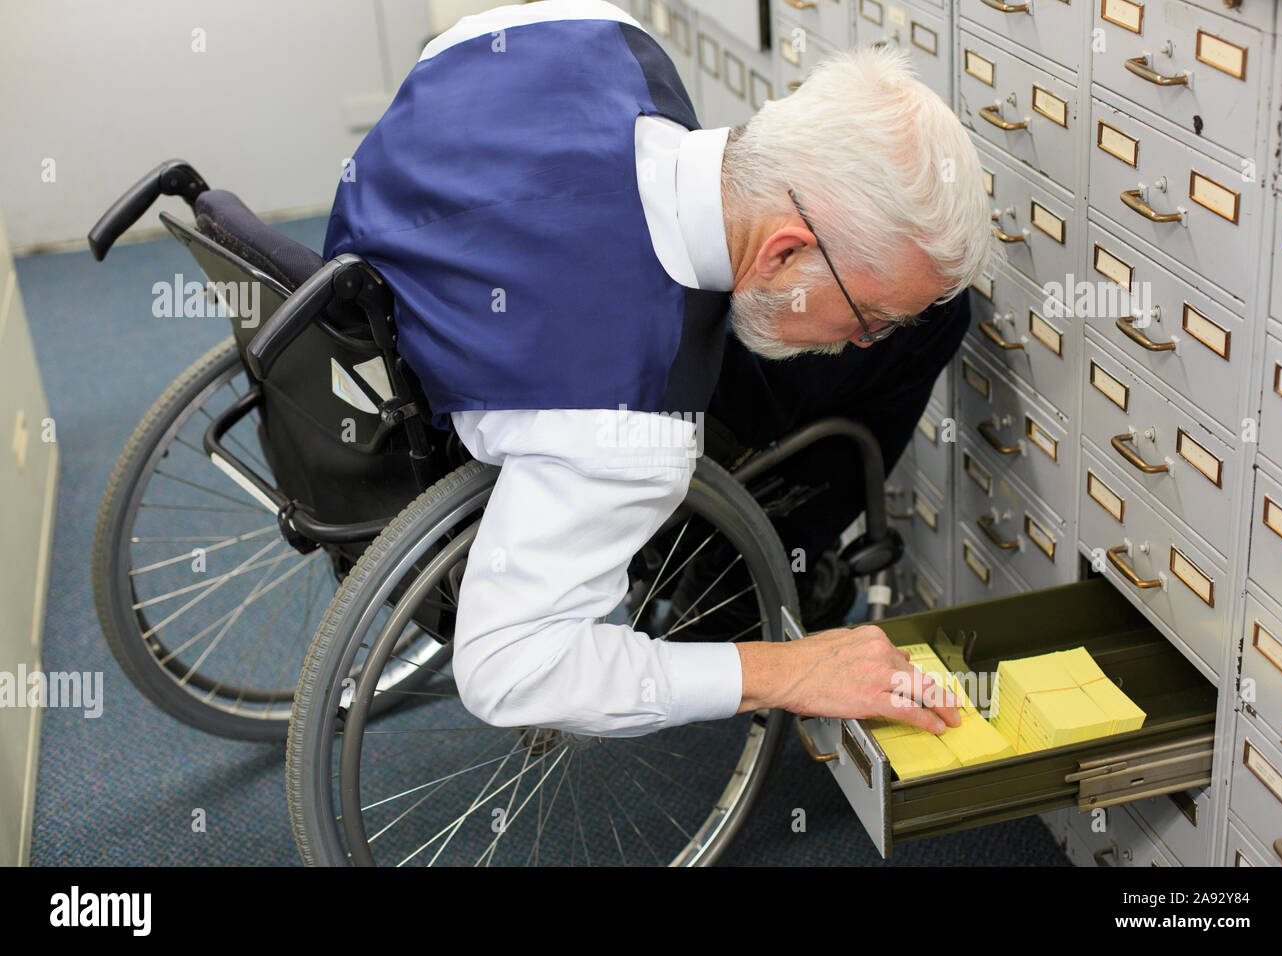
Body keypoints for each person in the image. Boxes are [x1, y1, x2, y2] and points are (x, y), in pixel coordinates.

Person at [323, 0, 996, 740]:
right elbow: (506, 671)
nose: (864, 340)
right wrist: (790, 670)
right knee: (937, 328)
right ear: (784, 252)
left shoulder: (597, 31)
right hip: (552, 384)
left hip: (380, 336)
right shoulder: (630, 424)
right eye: (868, 317)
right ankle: (752, 580)